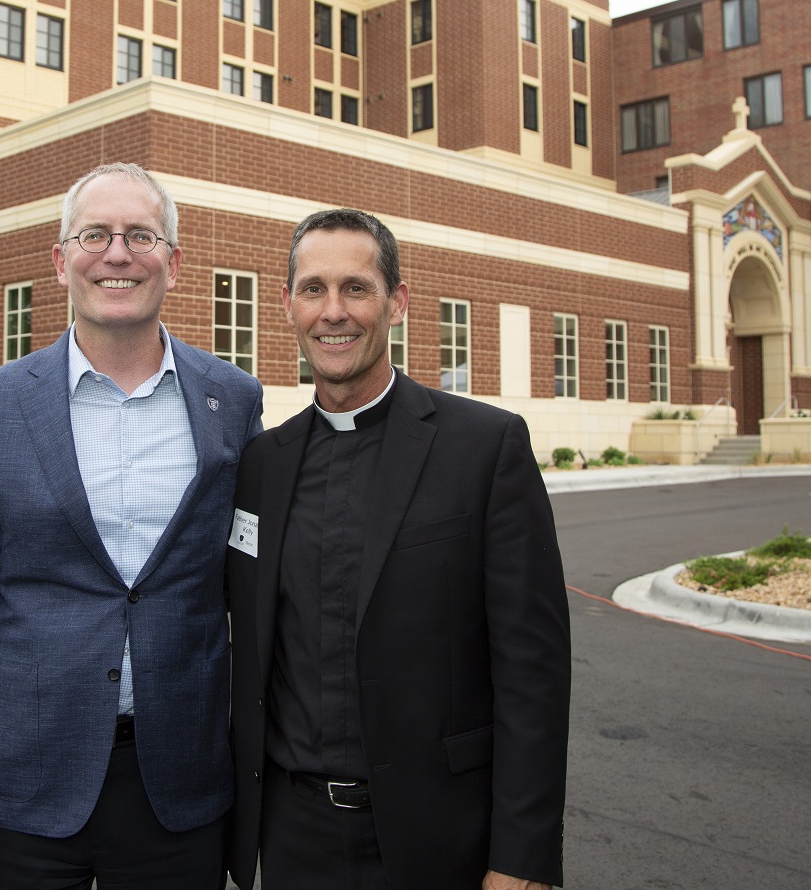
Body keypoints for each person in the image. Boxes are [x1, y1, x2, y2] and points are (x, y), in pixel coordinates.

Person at [0, 163, 263, 890]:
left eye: (141, 235)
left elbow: (252, 583)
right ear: (60, 260)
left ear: (172, 262)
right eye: (95, 235)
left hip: (182, 785)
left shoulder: (233, 400)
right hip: (28, 786)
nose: (117, 254)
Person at [226, 208, 571, 890]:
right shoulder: (262, 465)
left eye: (356, 288)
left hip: (442, 841)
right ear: (288, 305)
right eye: (313, 289)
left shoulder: (483, 448)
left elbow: (533, 672)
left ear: (397, 302)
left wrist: (521, 857)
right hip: (294, 842)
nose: (334, 312)